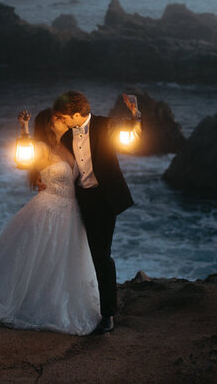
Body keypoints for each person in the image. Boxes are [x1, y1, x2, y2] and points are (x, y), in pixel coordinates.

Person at [0, 108, 101, 335]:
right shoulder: (43, 148)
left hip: (72, 212)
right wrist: (24, 127)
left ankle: (61, 301)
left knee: (63, 261)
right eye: (58, 119)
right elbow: (23, 158)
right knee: (39, 258)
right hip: (49, 209)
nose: (63, 120)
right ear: (49, 125)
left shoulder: (70, 146)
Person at [53, 90, 141, 334]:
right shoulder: (66, 137)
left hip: (104, 199)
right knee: (77, 252)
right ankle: (74, 305)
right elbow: (63, 167)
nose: (62, 121)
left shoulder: (106, 125)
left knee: (102, 255)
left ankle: (108, 314)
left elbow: (133, 137)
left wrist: (136, 114)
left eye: (64, 117)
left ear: (77, 115)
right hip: (79, 200)